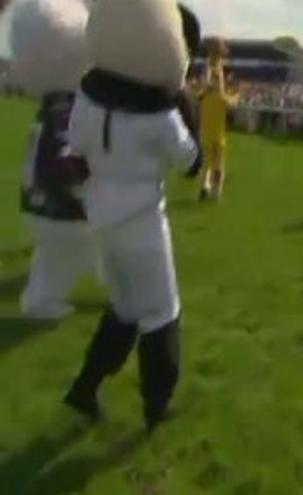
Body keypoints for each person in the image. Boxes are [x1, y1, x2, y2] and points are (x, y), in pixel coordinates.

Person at [63, 0, 202, 430]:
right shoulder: (158, 115)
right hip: (141, 219)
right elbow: (189, 161)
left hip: (101, 216)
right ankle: (156, 406)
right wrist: (185, 103)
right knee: (162, 312)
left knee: (125, 308)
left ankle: (85, 387)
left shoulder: (87, 95)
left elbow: (76, 150)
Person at [10, 0, 98, 320]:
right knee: (96, 243)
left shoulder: (50, 106)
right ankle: (127, 292)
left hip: (36, 201)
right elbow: (61, 158)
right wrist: (82, 183)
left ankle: (39, 301)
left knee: (51, 256)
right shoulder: (67, 109)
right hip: (60, 205)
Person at [198, 37, 238, 201]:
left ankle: (204, 186)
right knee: (218, 161)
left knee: (207, 159)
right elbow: (231, 103)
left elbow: (205, 84)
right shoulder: (213, 68)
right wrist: (235, 95)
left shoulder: (204, 96)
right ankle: (216, 192)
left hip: (207, 124)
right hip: (217, 126)